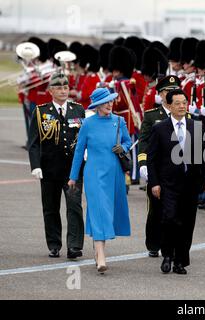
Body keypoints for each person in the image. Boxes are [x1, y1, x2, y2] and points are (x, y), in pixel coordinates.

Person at [147, 89, 205, 274]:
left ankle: (180, 260)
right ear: (169, 106)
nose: (182, 106)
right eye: (177, 103)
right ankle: (167, 255)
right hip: (168, 183)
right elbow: (151, 159)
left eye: (184, 102)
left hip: (190, 182)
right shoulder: (159, 129)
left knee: (187, 222)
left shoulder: (196, 126)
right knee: (169, 219)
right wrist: (154, 183)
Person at [68, 87, 132, 273]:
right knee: (99, 210)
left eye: (111, 101)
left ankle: (98, 251)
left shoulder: (119, 122)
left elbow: (128, 142)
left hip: (114, 174)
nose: (110, 104)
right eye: (106, 102)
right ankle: (101, 255)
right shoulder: (88, 124)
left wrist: (123, 148)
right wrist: (73, 177)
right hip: (94, 173)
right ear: (97, 106)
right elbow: (79, 152)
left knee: (105, 211)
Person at [28, 72, 85, 259]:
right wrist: (35, 165)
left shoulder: (78, 110)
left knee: (74, 207)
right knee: (51, 208)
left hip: (73, 170)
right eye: (59, 88)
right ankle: (54, 244)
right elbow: (34, 142)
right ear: (51, 90)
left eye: (66, 87)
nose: (63, 90)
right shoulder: (41, 111)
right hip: (49, 169)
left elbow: (84, 138)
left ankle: (74, 246)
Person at [138, 75, 181, 258]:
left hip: (178, 169)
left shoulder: (184, 115)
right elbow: (144, 141)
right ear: (161, 94)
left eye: (175, 90)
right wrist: (143, 163)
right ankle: (154, 243)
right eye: (168, 91)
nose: (171, 94)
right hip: (157, 168)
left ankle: (172, 245)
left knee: (177, 210)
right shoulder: (152, 115)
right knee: (156, 209)